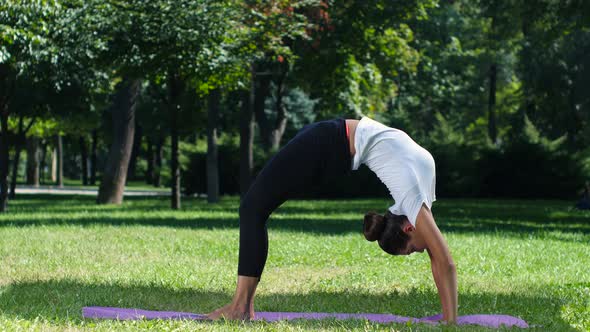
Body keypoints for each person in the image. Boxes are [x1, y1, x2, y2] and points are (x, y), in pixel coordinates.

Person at [207, 117, 458, 323]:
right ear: (408, 227)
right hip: (325, 143)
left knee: (255, 209)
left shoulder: (417, 201)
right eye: (412, 249)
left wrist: (448, 317)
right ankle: (240, 308)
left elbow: (438, 260)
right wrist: (451, 323)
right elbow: (446, 262)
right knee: (252, 209)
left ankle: (242, 308)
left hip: (333, 148)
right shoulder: (413, 197)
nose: (417, 252)